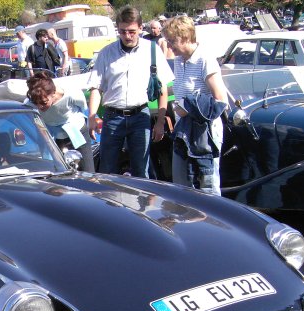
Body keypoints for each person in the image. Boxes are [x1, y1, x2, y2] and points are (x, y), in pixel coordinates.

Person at [86, 5, 173, 178]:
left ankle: (144, 205)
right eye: (123, 31)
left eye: (132, 31)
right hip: (112, 117)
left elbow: (163, 88)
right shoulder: (106, 53)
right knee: (107, 170)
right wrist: (92, 116)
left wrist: (160, 122)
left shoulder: (152, 50)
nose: (127, 36)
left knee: (142, 170)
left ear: (141, 28)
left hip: (140, 116)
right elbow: (96, 87)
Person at [163, 15, 228, 195]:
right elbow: (180, 91)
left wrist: (188, 108)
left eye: (171, 41)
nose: (169, 46)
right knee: (182, 182)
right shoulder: (178, 60)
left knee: (208, 184)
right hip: (183, 130)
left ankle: (213, 221)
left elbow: (220, 100)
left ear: (184, 37)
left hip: (204, 132)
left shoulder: (205, 59)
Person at [26, 72, 94, 172]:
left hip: (77, 133)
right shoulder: (29, 103)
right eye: (36, 103)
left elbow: (83, 107)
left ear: (53, 93)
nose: (40, 107)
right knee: (57, 172)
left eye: (44, 103)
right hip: (52, 136)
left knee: (87, 171)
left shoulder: (71, 94)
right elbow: (33, 117)